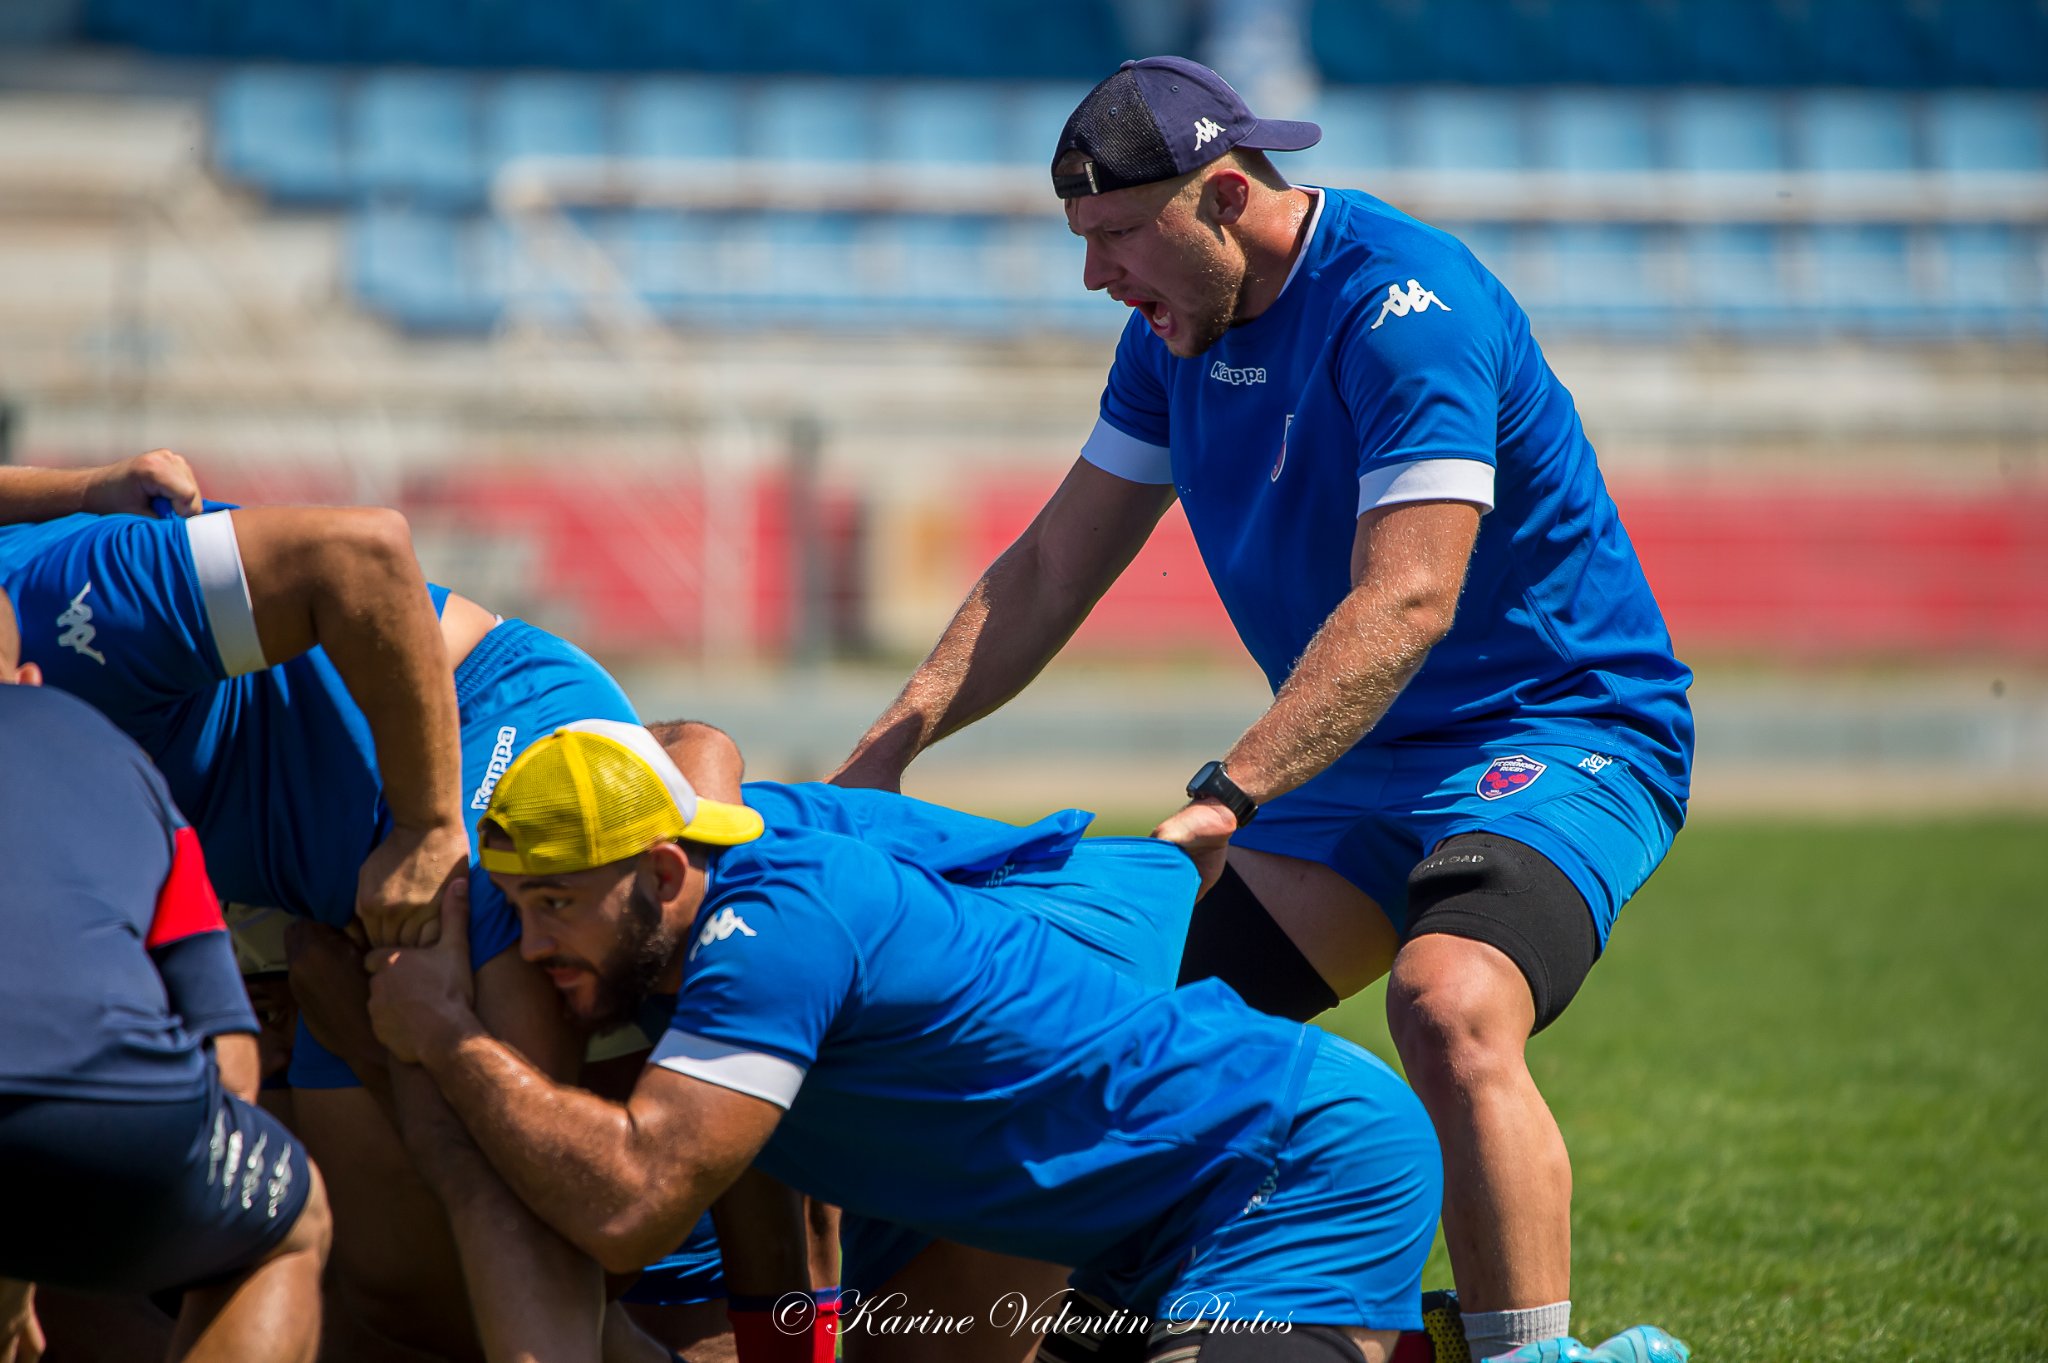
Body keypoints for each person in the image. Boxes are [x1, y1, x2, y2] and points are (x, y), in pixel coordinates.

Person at [829, 57, 1696, 1363]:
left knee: (1449, 1001)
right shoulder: (1168, 336)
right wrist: (887, 747)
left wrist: (1232, 787)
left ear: (1225, 194)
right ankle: (1100, 1320)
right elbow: (1054, 564)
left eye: (1119, 235)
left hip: (1556, 732)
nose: (1096, 277)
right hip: (1356, 763)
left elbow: (1407, 602)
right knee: (1102, 1015)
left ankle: (1530, 1356)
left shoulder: (1410, 307)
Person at [0, 458, 774, 1363]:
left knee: (502, 1191)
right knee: (397, 1286)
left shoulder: (75, 598)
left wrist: (427, 825)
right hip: (331, 886)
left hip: (472, 732)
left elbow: (366, 551)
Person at [363, 719, 1444, 1363]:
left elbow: (627, 1199)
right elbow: (762, 1198)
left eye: (553, 906)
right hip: (1139, 1225)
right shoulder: (677, 949)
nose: (534, 947)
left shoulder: (767, 930)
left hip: (1290, 1167)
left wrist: (449, 1036)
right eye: (517, 908)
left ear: (658, 872)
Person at [0, 585, 332, 1363]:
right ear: (30, 684)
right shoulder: (111, 754)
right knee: (291, 1221)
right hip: (118, 1113)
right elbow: (233, 1059)